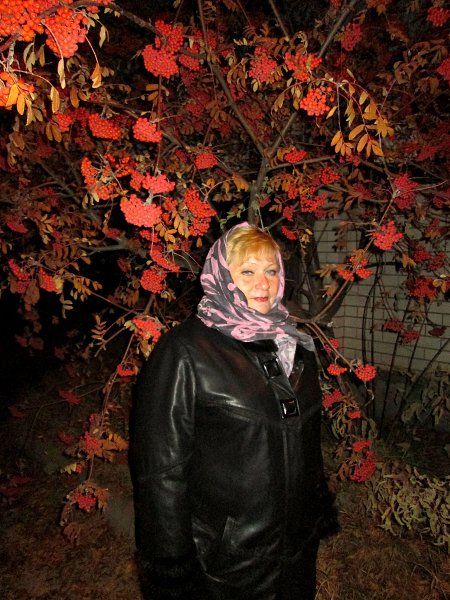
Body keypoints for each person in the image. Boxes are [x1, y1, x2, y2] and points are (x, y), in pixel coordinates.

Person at [131, 222, 338, 600]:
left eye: (271, 270)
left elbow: (308, 444)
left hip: (295, 554)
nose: (263, 283)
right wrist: (173, 569)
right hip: (227, 566)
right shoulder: (186, 352)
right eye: (247, 272)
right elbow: (162, 473)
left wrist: (316, 510)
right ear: (223, 276)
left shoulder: (295, 345)